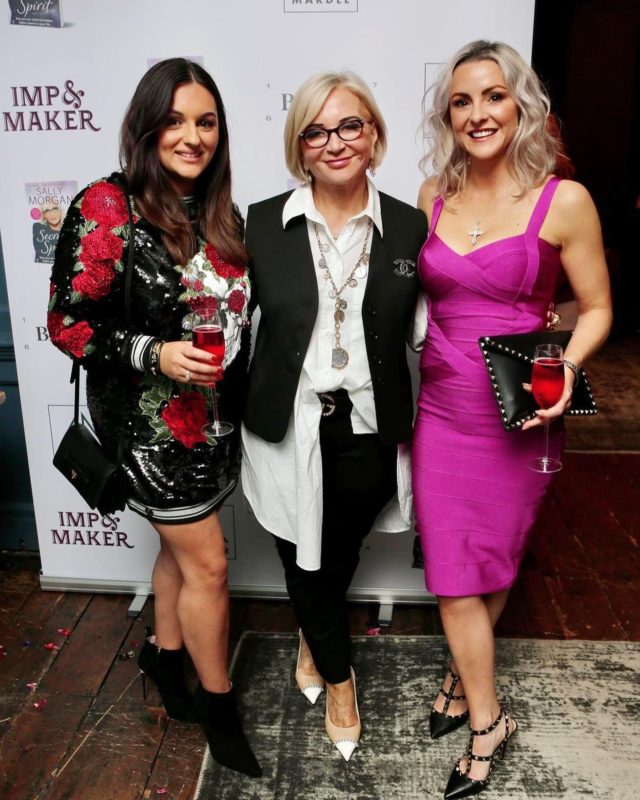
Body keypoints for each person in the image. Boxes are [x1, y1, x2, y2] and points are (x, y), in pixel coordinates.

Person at [47, 58, 261, 778]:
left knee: (178, 554)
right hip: (146, 428)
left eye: (205, 121)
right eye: (174, 120)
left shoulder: (218, 209)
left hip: (210, 425)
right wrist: (151, 352)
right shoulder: (107, 206)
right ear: (145, 128)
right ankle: (218, 706)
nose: (192, 136)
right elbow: (67, 323)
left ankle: (165, 662)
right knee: (209, 562)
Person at [413, 40, 612, 799]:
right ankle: (488, 716)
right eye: (461, 101)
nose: (478, 113)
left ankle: (465, 686)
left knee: (488, 562)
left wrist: (566, 367)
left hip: (521, 409)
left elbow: (596, 309)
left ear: (521, 104)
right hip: (441, 410)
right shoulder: (432, 191)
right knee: (454, 576)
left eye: (493, 96)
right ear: (448, 116)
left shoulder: (564, 200)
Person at [241, 71, 427, 761]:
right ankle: (340, 677)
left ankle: (310, 635)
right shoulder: (261, 223)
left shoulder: (410, 225)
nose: (335, 142)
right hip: (289, 431)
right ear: (301, 148)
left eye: (350, 125)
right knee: (303, 560)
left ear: (374, 134)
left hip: (373, 430)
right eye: (316, 131)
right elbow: (225, 322)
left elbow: (435, 328)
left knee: (339, 551)